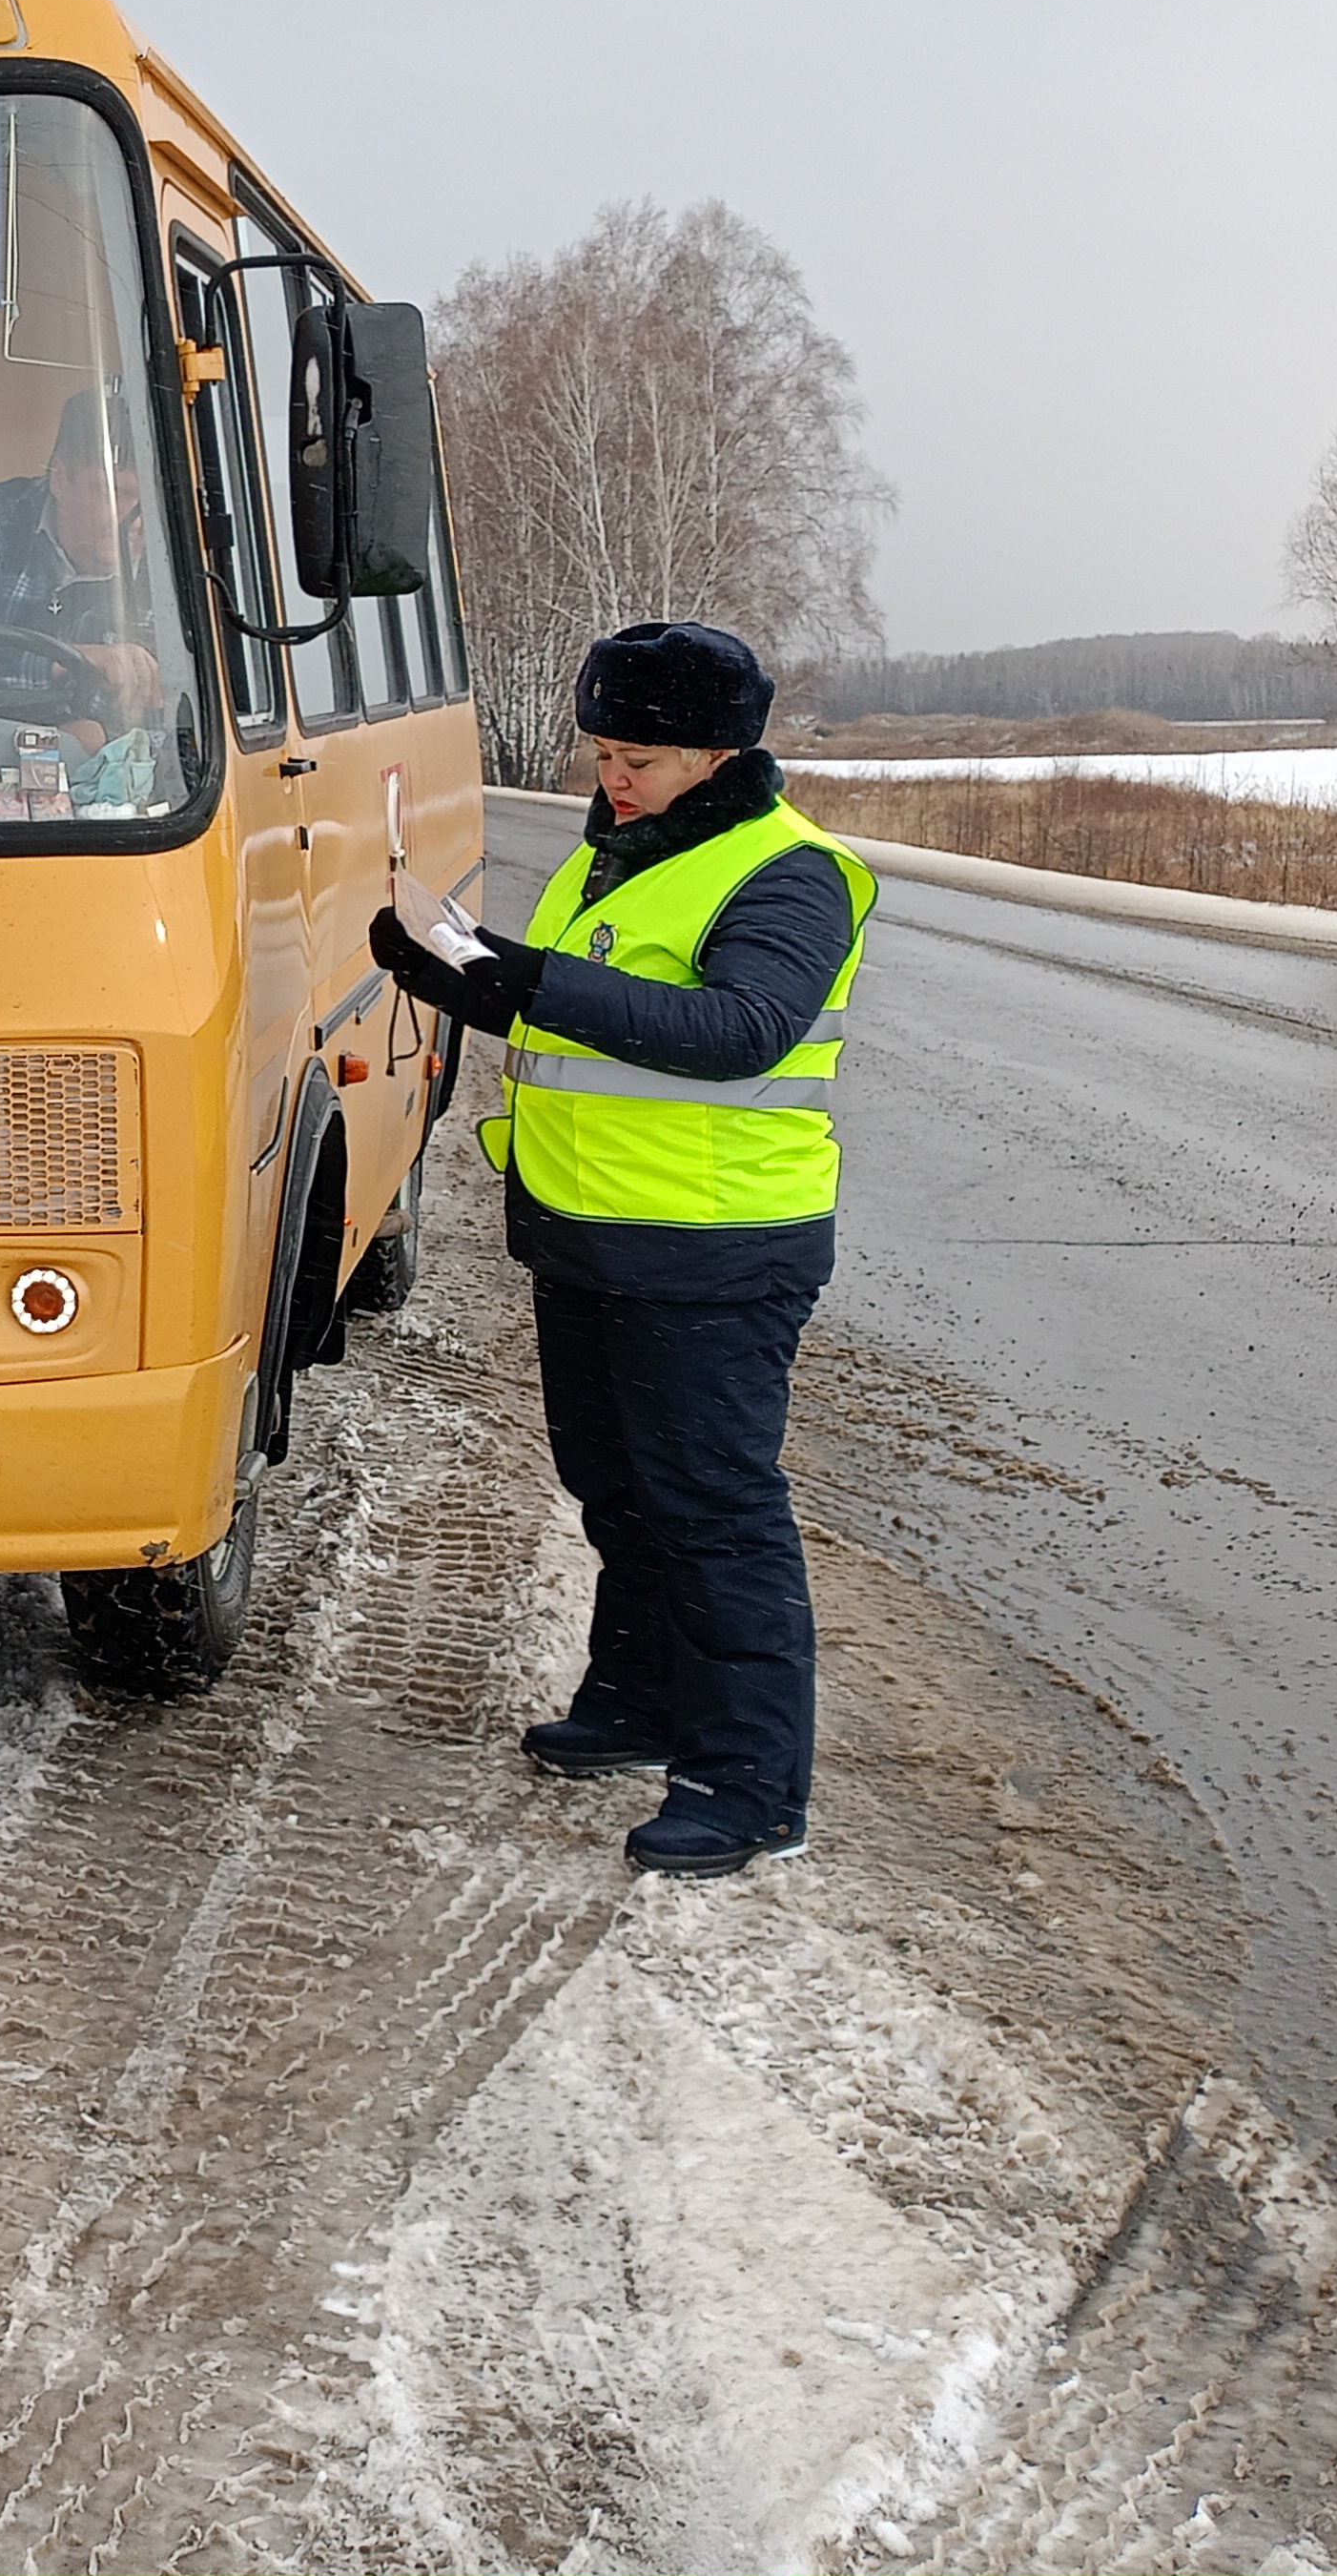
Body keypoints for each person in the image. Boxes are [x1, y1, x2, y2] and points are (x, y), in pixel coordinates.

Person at [367, 620, 875, 1880]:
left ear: (715, 751)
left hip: (715, 1249)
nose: (613, 777)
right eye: (602, 751)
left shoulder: (791, 872)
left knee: (716, 1515)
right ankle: (643, 1704)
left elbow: (737, 1029)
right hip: (595, 1240)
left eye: (637, 755)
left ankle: (751, 1785)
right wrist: (463, 980)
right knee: (622, 1497)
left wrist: (518, 976)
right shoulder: (620, 860)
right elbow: (584, 1026)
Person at [0, 387, 166, 732]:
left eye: (149, 500)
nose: (135, 520)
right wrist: (73, 662)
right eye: (112, 494)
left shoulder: (179, 561)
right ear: (58, 476)